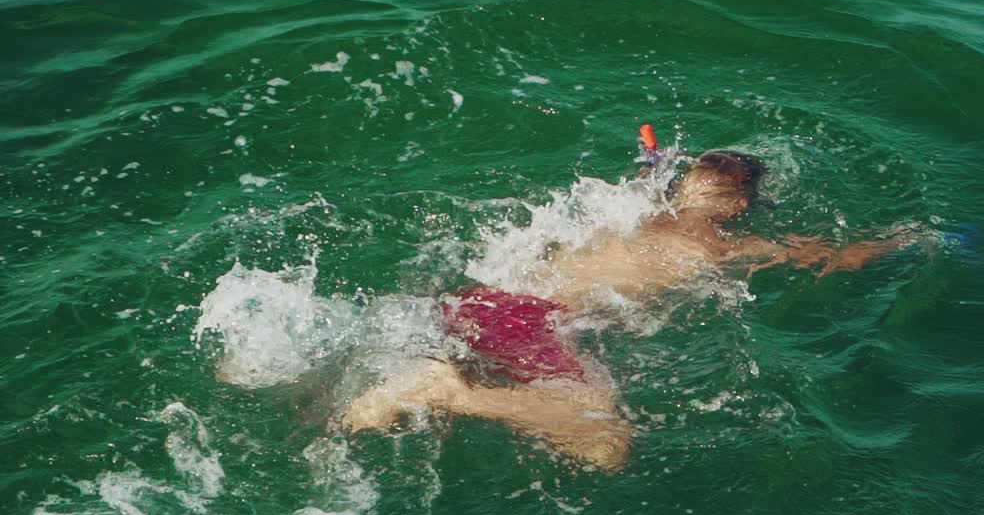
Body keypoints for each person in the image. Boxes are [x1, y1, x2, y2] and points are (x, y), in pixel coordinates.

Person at [341, 150, 931, 471]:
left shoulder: (636, 208)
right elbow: (843, 258)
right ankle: (450, 392)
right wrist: (914, 238)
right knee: (605, 447)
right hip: (531, 320)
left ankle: (400, 394)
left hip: (481, 299)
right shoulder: (722, 244)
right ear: (737, 208)